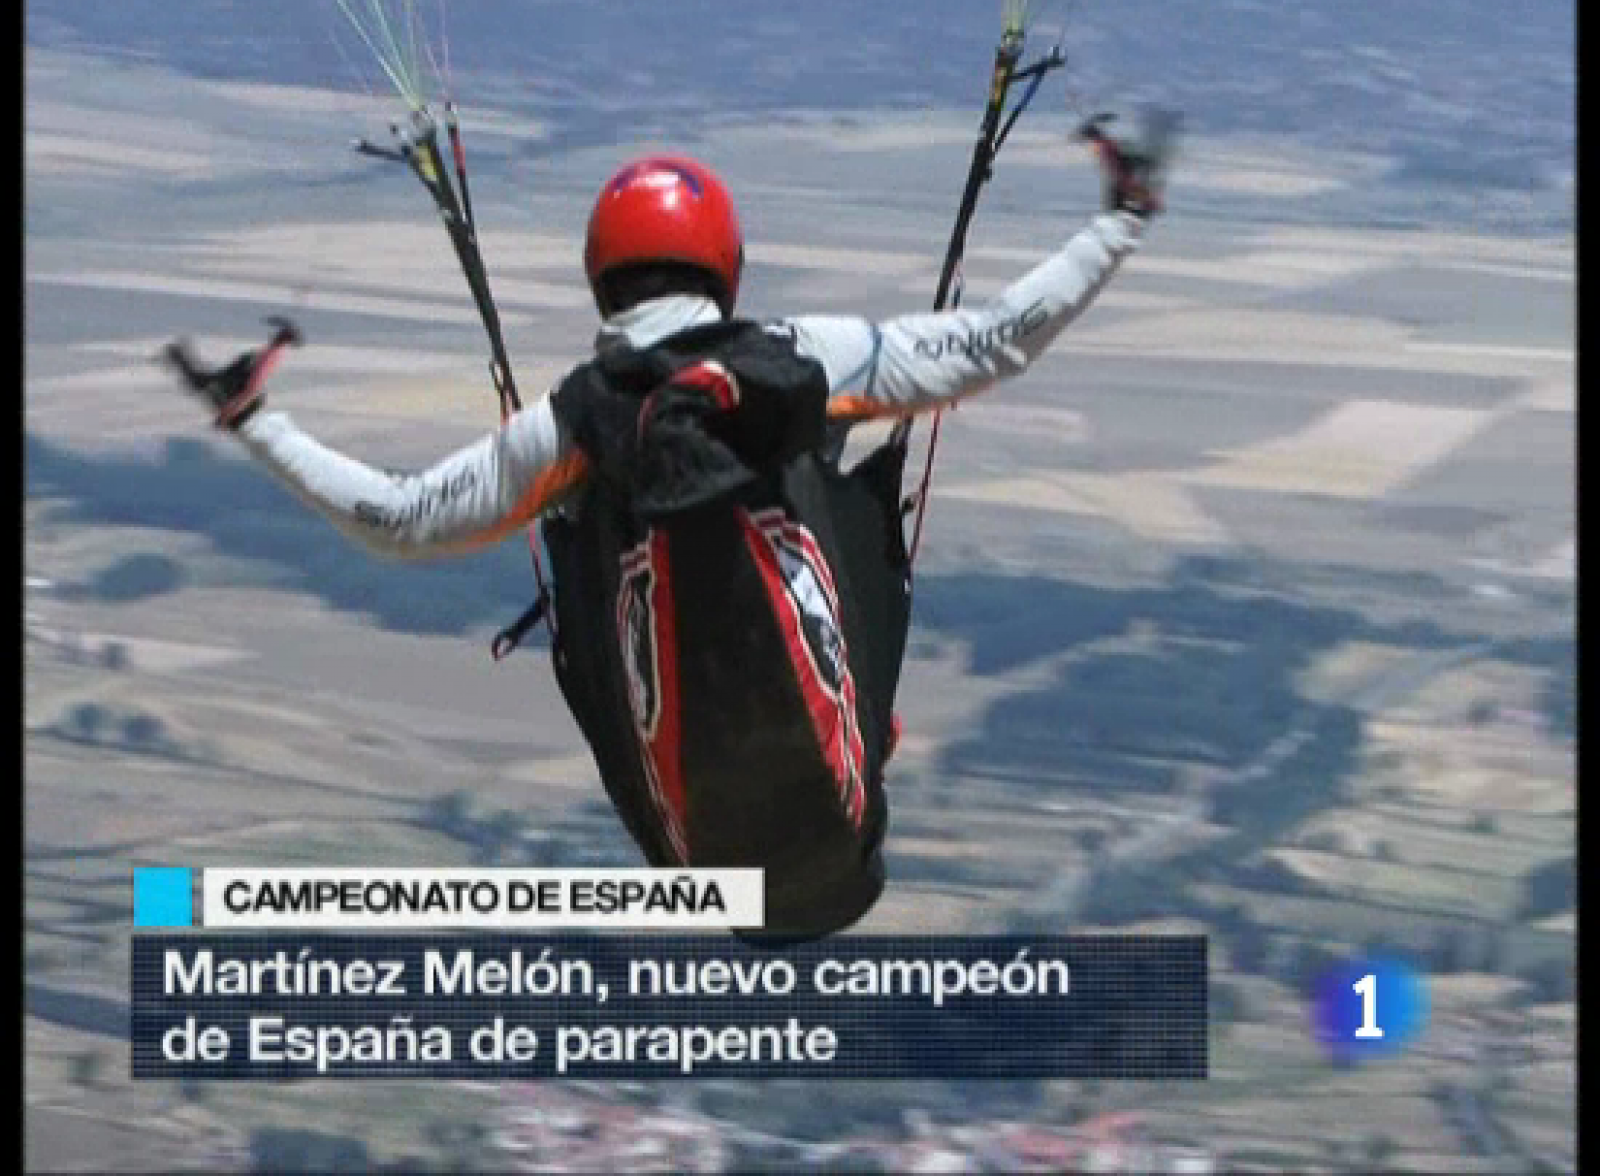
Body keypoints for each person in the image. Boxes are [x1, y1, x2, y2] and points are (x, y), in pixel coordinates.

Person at [165, 109, 1175, 941]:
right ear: (723, 264)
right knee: (854, 477)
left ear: (600, 273)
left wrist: (256, 419)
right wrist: (1120, 220)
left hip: (705, 859)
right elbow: (995, 341)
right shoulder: (799, 359)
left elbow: (396, 517)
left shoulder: (567, 427)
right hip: (842, 822)